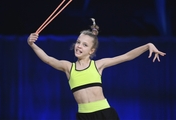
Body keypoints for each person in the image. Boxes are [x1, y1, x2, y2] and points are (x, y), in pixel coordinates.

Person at [27, 18, 166, 120]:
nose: (79, 46)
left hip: (104, 114)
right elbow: (48, 59)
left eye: (85, 45)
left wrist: (148, 45)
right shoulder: (69, 67)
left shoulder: (98, 65)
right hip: (83, 116)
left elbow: (127, 56)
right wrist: (32, 44)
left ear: (91, 50)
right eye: (78, 42)